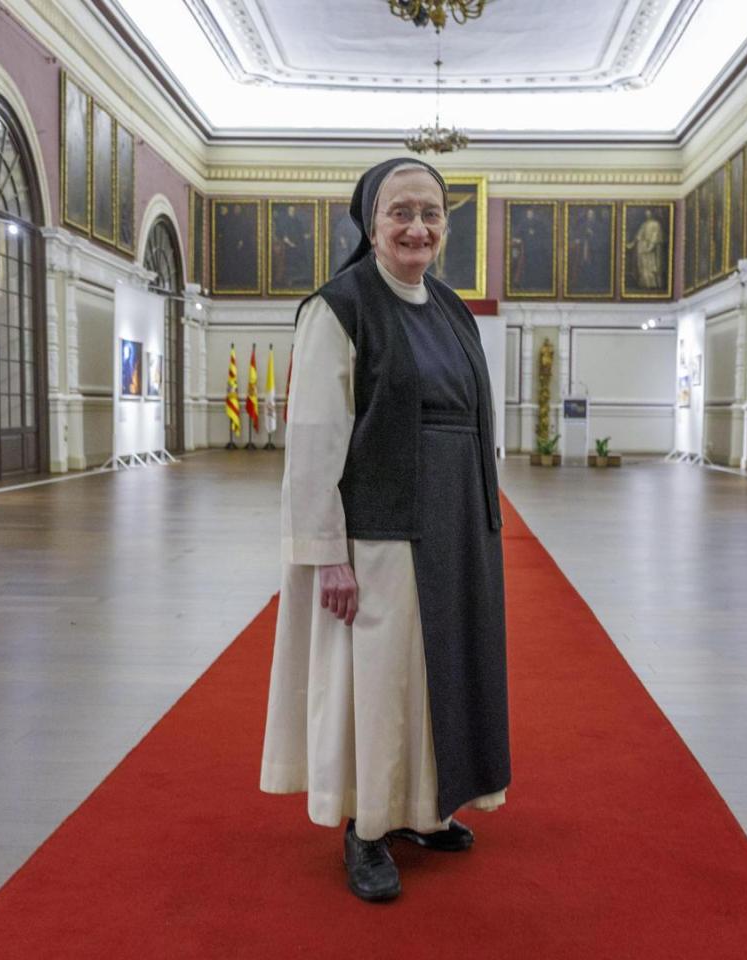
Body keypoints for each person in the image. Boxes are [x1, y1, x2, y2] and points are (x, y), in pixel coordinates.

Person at [260, 158, 510, 903]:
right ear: (370, 223)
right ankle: (366, 827)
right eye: (401, 212)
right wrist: (325, 554)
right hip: (380, 531)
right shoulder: (339, 308)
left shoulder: (452, 308)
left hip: (456, 526)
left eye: (431, 215)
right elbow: (312, 440)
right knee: (382, 680)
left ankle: (424, 808)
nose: (418, 228)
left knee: (439, 676)